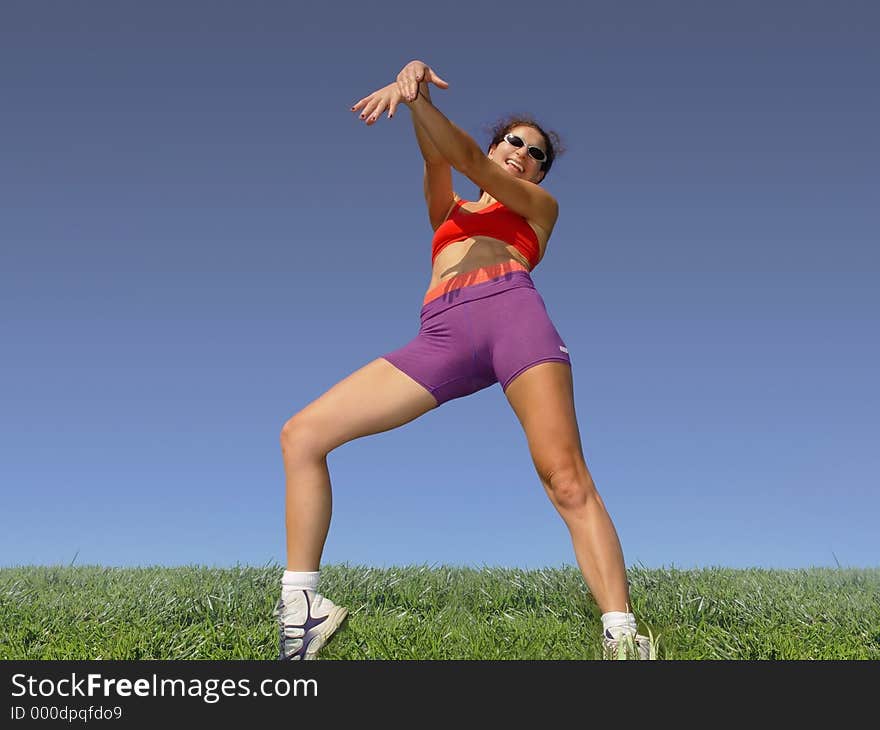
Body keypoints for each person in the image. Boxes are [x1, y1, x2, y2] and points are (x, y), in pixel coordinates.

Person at [274, 60, 652, 660]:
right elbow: (439, 161)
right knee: (302, 435)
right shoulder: (447, 215)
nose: (523, 154)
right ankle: (302, 611)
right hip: (440, 336)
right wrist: (412, 87)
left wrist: (419, 102)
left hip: (515, 320)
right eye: (515, 141)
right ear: (500, 139)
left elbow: (469, 161)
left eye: (536, 153)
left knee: (566, 478)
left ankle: (624, 637)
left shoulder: (537, 207)